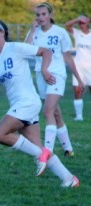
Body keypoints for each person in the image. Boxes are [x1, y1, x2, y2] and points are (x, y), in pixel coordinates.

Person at [0, 19, 79, 187]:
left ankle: (38, 155)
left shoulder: (15, 47)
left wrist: (44, 69)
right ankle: (69, 178)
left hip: (28, 102)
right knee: (38, 146)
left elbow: (46, 52)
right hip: (18, 106)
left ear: (2, 32)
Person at [25, 2, 84, 157]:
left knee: (47, 111)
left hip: (56, 75)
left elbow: (68, 58)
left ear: (50, 15)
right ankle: (68, 149)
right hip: (40, 75)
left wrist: (78, 78)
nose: (41, 17)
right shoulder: (35, 31)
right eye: (38, 15)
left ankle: (48, 151)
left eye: (44, 14)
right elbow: (25, 50)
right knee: (55, 114)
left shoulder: (60, 32)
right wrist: (32, 30)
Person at [65, 14, 91, 121]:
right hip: (78, 67)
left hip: (90, 67)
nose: (81, 25)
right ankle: (79, 116)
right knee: (77, 90)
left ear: (88, 23)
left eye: (83, 23)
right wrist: (77, 19)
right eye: (80, 23)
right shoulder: (77, 33)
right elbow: (67, 25)